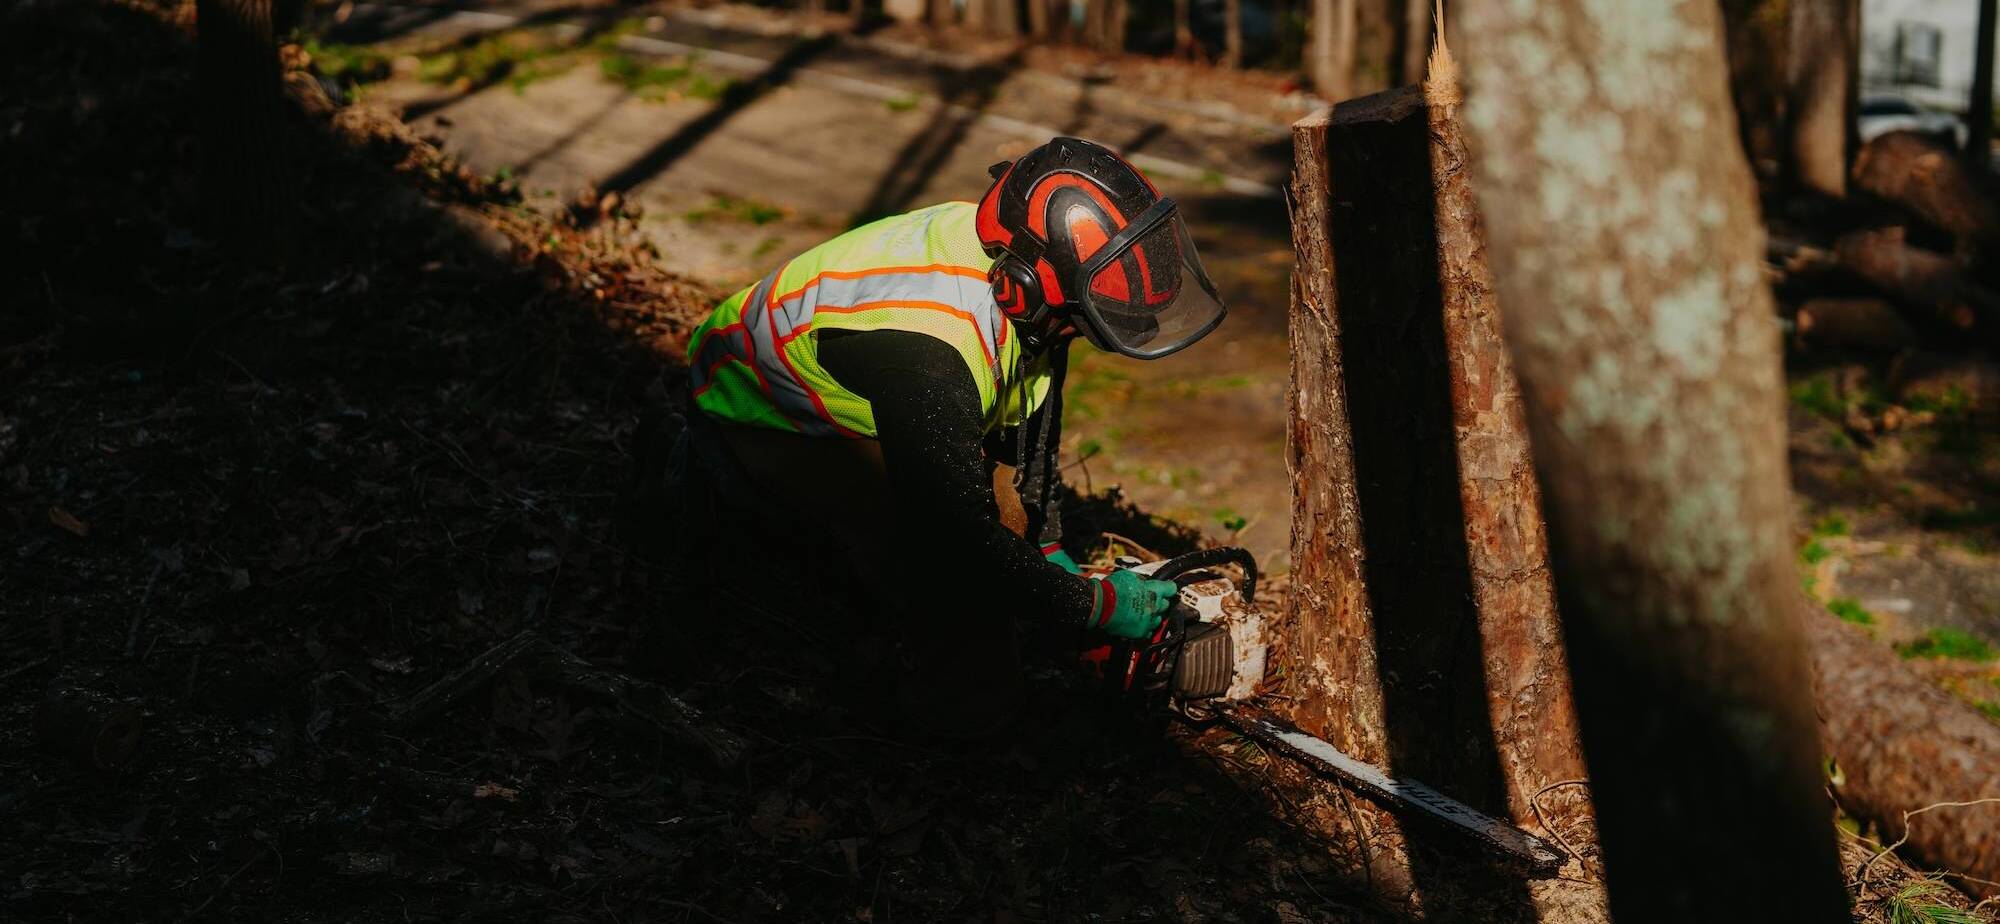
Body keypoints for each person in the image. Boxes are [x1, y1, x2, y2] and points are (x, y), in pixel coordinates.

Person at [650, 136, 1228, 735]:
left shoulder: (1024, 286)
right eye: (1078, 321)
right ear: (1025, 285)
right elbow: (953, 537)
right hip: (752, 401)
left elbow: (1031, 436)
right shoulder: (931, 345)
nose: (1077, 335)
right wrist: (1092, 608)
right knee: (944, 571)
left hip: (883, 390)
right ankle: (932, 731)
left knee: (1007, 520)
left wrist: (1055, 557)